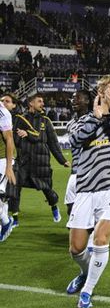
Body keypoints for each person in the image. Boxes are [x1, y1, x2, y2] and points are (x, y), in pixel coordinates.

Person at [66, 75, 110, 308]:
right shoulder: (83, 119)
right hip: (86, 189)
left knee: (100, 239)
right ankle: (86, 273)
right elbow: (74, 140)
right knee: (76, 248)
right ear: (101, 90)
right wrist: (96, 119)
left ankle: (87, 291)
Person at [7, 93, 70, 225]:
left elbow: (53, 143)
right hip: (23, 161)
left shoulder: (45, 121)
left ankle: (54, 207)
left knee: (47, 189)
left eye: (42, 101)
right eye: (39, 101)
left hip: (41, 162)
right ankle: (15, 219)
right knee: (14, 187)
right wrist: (20, 137)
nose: (43, 104)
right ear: (31, 103)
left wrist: (62, 160)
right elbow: (14, 140)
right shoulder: (19, 119)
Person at [64, 90, 92, 217]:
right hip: (75, 171)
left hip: (91, 171)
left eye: (77, 98)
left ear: (87, 101)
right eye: (72, 98)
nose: (73, 100)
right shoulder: (70, 123)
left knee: (90, 208)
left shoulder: (94, 119)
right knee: (71, 207)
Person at [0, 94, 16, 241]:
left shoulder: (2, 112)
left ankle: (5, 222)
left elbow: (9, 139)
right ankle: (5, 221)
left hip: (2, 160)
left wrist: (9, 166)